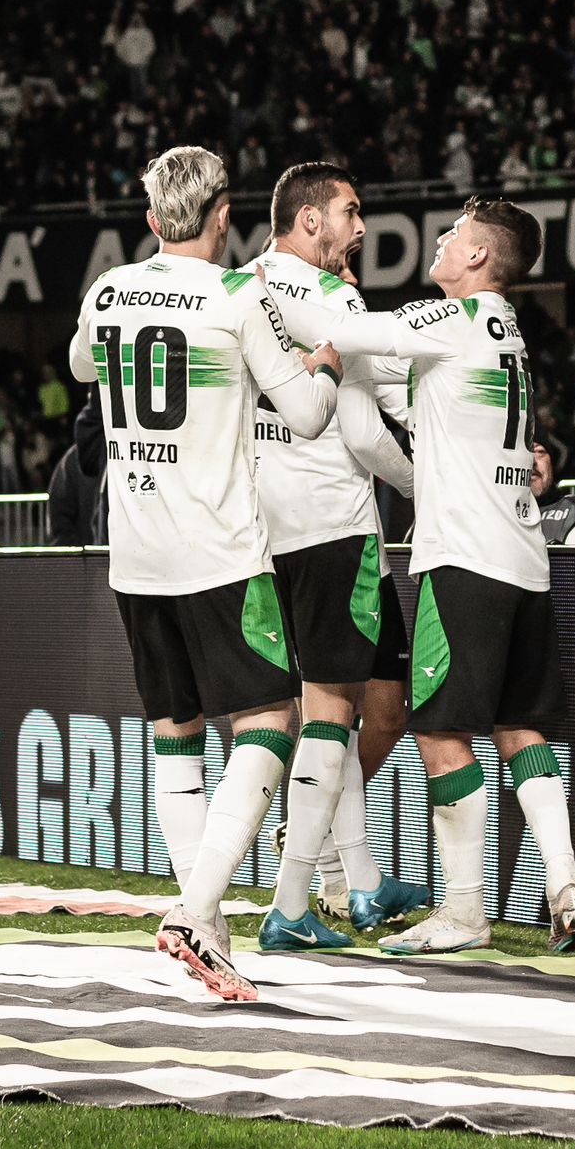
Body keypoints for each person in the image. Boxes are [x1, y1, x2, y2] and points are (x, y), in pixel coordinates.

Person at [266, 195, 575, 956]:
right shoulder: (505, 335)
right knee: (521, 727)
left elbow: (336, 329)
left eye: (454, 235)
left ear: (478, 257)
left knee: (442, 731)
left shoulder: (447, 322)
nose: (442, 242)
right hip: (524, 561)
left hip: (463, 560)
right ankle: (565, 884)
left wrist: (265, 280)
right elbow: (368, 417)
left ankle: (466, 911)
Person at [68, 145, 343, 1001]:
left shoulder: (107, 290)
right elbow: (301, 416)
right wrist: (325, 364)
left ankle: (206, 923)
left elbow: (83, 365)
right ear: (225, 216)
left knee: (175, 730)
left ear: (151, 220)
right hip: (220, 551)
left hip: (136, 554)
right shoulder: (237, 295)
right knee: (271, 718)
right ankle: (196, 911)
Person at [250, 163, 425, 949]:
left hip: (266, 529)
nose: (361, 228)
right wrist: (434, 489)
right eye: (350, 212)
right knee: (336, 710)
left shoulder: (244, 285)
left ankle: (357, 882)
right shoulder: (334, 300)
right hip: (333, 523)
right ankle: (294, 902)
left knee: (359, 706)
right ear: (310, 219)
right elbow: (359, 432)